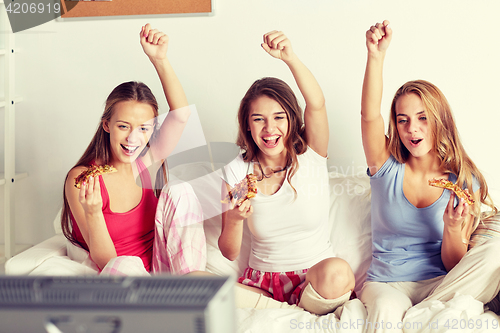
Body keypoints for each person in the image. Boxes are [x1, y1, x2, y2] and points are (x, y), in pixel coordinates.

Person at [359, 20, 500, 332]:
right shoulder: (385, 166)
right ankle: (427, 317)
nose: (413, 129)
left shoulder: (464, 182)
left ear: (439, 121)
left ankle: (427, 313)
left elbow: (453, 264)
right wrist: (375, 56)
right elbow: (369, 115)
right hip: (388, 284)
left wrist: (452, 228)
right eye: (403, 120)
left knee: (493, 257)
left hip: (440, 283)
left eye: (422, 118)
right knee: (384, 311)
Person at [218, 30, 355, 315]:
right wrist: (233, 219)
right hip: (261, 285)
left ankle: (291, 309)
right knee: (194, 284)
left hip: (314, 281)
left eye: (279, 117)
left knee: (339, 273)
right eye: (259, 120)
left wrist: (290, 58)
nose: (270, 130)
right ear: (247, 126)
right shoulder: (237, 172)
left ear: (292, 119)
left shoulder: (311, 155)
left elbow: (317, 104)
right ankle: (285, 312)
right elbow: (229, 252)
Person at [61, 24, 206, 275]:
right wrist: (94, 212)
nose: (133, 138)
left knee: (180, 189)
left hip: (162, 271)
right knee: (124, 264)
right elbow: (106, 261)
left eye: (143, 128)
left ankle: (190, 283)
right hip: (123, 276)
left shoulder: (148, 162)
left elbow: (181, 115)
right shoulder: (83, 179)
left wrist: (159, 59)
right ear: (107, 125)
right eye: (123, 126)